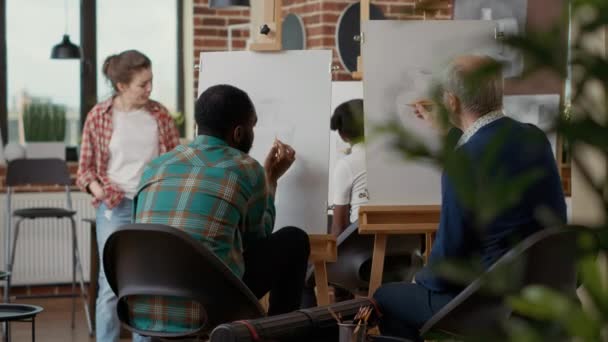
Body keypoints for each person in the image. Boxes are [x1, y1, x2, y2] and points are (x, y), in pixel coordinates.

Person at [373, 55, 567, 341]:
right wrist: (449, 131)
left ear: (451, 101)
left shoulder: (463, 163)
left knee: (385, 297)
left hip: (488, 302)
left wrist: (420, 280)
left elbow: (448, 259)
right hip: (543, 287)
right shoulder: (533, 137)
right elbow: (488, 152)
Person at [128, 84, 311, 334]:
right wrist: (270, 179)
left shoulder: (154, 167)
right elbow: (258, 240)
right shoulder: (246, 168)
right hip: (209, 309)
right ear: (238, 133)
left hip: (144, 307)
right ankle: (279, 334)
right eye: (252, 127)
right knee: (294, 239)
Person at [76, 50, 180, 342]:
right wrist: (102, 194)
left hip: (151, 206)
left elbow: (173, 161)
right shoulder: (99, 116)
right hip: (115, 206)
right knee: (111, 286)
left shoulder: (159, 115)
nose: (149, 89)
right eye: (142, 84)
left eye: (151, 82)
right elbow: (84, 171)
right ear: (121, 86)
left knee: (144, 284)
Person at [329, 99, 368, 236]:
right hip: (407, 247)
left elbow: (339, 228)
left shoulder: (347, 165)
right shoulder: (398, 155)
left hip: (364, 249)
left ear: (342, 135)